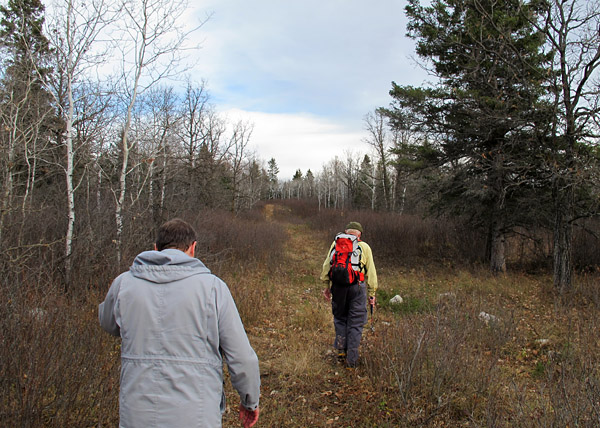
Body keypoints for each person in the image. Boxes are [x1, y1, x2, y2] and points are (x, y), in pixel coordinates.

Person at [99, 218, 260, 428]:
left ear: (156, 248)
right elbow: (241, 357)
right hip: (197, 416)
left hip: (137, 415)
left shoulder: (124, 284)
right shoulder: (213, 288)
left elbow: (108, 323)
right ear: (193, 248)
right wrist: (250, 401)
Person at [320, 221, 378, 368]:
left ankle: (341, 350)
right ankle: (352, 359)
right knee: (356, 322)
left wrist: (326, 286)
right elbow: (371, 272)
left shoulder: (336, 244)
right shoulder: (364, 247)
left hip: (338, 287)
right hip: (357, 287)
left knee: (340, 318)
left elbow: (327, 265)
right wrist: (372, 293)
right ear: (360, 234)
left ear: (346, 231)